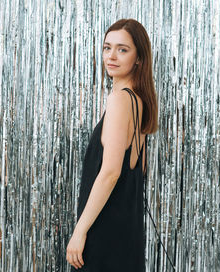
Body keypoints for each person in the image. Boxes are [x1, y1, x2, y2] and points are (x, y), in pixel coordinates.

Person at [66, 18, 159, 271]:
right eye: (107, 47)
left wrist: (80, 231)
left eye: (123, 49)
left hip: (104, 234)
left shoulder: (119, 100)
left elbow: (110, 173)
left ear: (139, 58)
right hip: (126, 236)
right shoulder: (140, 103)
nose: (112, 56)